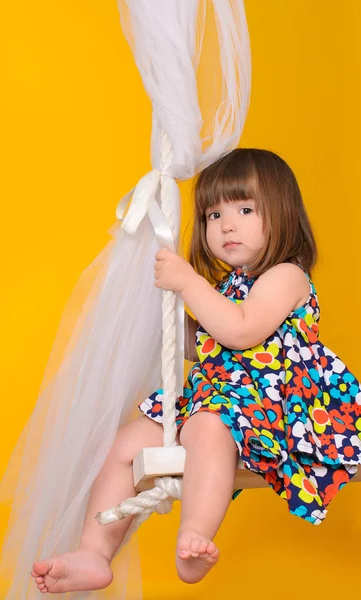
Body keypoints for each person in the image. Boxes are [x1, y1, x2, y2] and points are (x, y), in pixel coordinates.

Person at [31, 148, 361, 595]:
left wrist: (189, 284)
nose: (226, 225)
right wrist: (166, 315)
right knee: (126, 443)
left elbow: (240, 331)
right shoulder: (228, 284)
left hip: (275, 406)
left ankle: (197, 534)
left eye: (245, 209)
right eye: (212, 214)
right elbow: (202, 347)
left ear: (282, 213)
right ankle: (95, 551)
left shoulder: (286, 276)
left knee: (209, 427)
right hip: (217, 397)